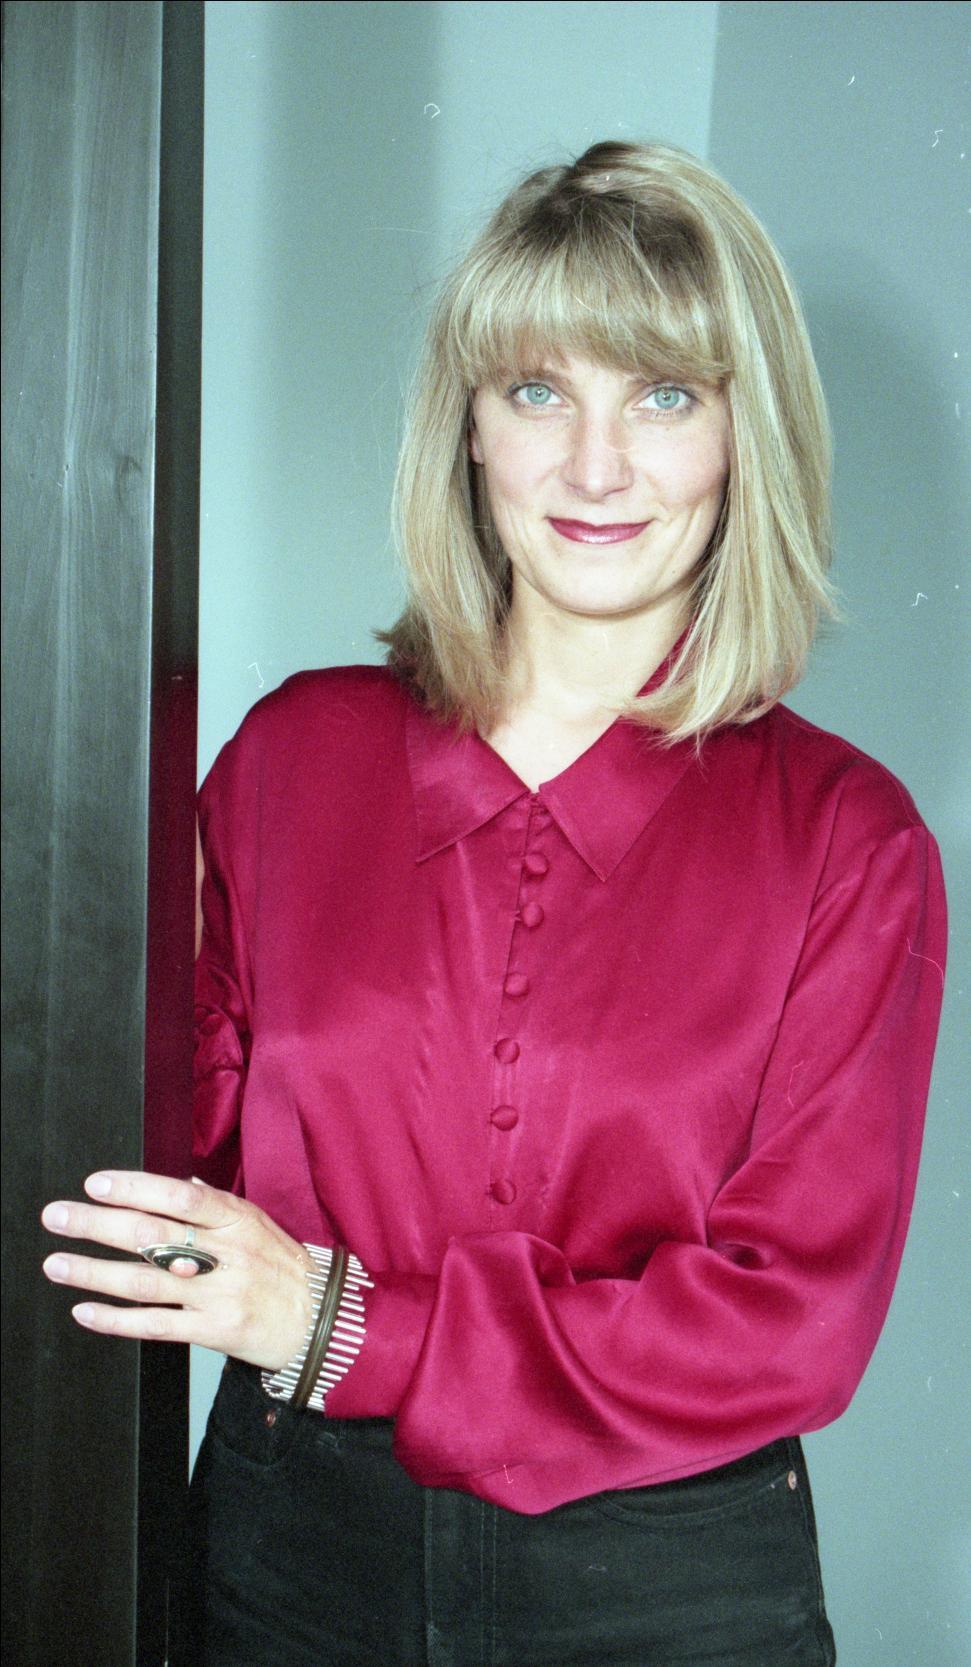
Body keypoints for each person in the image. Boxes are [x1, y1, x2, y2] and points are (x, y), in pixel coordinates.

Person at [42, 141, 946, 1665]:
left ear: (748, 436)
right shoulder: (292, 755)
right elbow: (156, 1143)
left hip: (664, 1588)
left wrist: (339, 1324)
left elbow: (790, 1319)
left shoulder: (849, 838)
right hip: (288, 1557)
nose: (595, 468)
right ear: (468, 427)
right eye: (538, 392)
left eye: (664, 397)